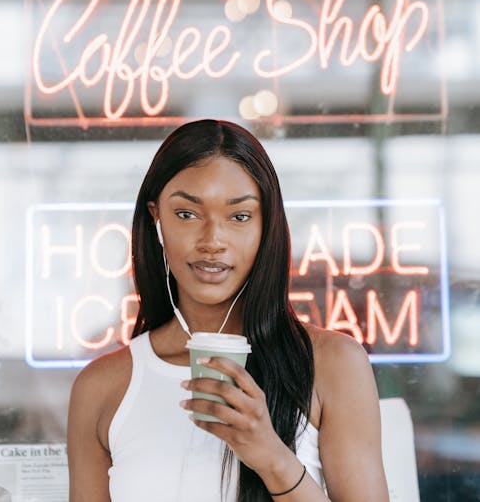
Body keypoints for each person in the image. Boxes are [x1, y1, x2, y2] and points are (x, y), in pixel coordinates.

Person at [67, 119, 390, 502]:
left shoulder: (332, 365)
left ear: (266, 225)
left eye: (239, 217)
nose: (212, 241)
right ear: (157, 219)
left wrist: (270, 456)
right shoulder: (101, 389)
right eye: (187, 214)